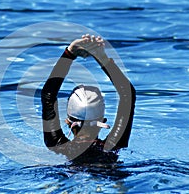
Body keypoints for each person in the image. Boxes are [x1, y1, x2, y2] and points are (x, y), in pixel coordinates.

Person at [41, 34, 136, 164]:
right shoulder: (113, 145)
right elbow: (128, 96)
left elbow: (48, 95)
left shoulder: (59, 146)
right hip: (110, 174)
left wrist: (69, 54)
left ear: (68, 122)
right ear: (103, 121)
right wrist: (102, 58)